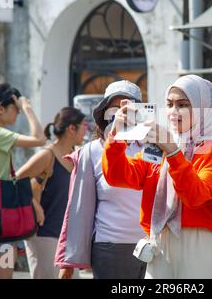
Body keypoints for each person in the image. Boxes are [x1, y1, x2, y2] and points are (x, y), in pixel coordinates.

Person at [102, 75, 212, 279]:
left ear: (202, 107)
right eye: (169, 104)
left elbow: (196, 196)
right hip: (159, 239)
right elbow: (117, 176)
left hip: (200, 241)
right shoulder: (159, 144)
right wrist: (117, 135)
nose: (173, 112)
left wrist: (172, 152)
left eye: (183, 105)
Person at [55, 81, 147, 279]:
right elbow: (78, 207)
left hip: (152, 247)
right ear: (104, 113)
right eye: (115, 108)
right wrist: (68, 261)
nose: (121, 114)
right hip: (110, 248)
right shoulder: (92, 151)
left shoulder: (152, 148)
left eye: (128, 107)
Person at [0, 83, 46, 279]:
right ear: (0, 109)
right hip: (6, 219)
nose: (19, 112)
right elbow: (40, 139)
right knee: (4, 273)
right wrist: (28, 107)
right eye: (16, 108)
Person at [16, 107, 87, 279]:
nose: (86, 130)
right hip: (44, 234)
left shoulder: (77, 156)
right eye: (83, 125)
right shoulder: (47, 156)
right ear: (72, 128)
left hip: (69, 237)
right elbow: (16, 180)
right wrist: (35, 205)